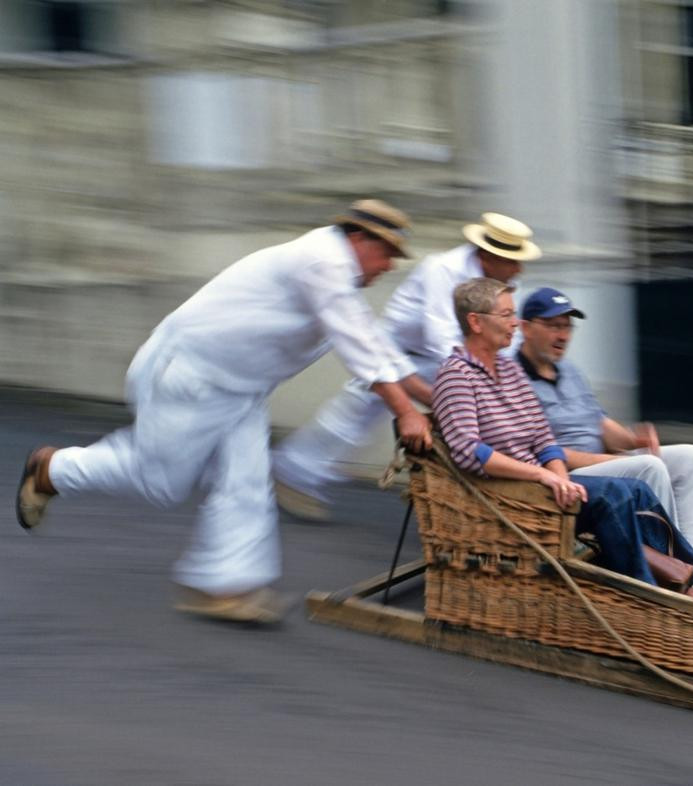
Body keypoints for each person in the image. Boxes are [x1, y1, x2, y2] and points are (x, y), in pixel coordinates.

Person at [15, 199, 433, 625]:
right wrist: (405, 411)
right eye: (387, 253)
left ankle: (220, 587)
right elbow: (359, 348)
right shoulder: (322, 262)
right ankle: (52, 469)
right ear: (359, 239)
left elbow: (380, 351)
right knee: (158, 480)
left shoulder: (335, 275)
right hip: (190, 376)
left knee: (247, 482)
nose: (389, 266)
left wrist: (435, 401)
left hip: (238, 389)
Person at [432, 277, 693, 608]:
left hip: (544, 482)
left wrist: (558, 474)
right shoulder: (457, 376)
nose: (512, 324)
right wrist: (542, 475)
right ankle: (655, 595)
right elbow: (468, 451)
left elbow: (541, 436)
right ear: (476, 322)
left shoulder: (508, 371)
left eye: (512, 314)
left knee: (638, 490)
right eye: (505, 315)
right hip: (510, 492)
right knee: (616, 495)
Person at [272, 212, 540, 520]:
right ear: (488, 255)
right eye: (512, 260)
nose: (518, 268)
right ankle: (294, 472)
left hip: (447, 361)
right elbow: (441, 336)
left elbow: (508, 333)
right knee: (353, 417)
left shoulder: (506, 282)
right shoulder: (442, 269)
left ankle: (486, 503)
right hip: (397, 351)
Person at [516, 288, 693, 603]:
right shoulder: (514, 381)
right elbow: (544, 451)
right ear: (526, 327)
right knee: (649, 467)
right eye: (553, 325)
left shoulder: (571, 370)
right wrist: (606, 457)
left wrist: (634, 440)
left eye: (566, 326)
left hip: (604, 459)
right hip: (569, 475)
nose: (562, 335)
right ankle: (672, 578)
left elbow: (601, 424)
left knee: (690, 457)